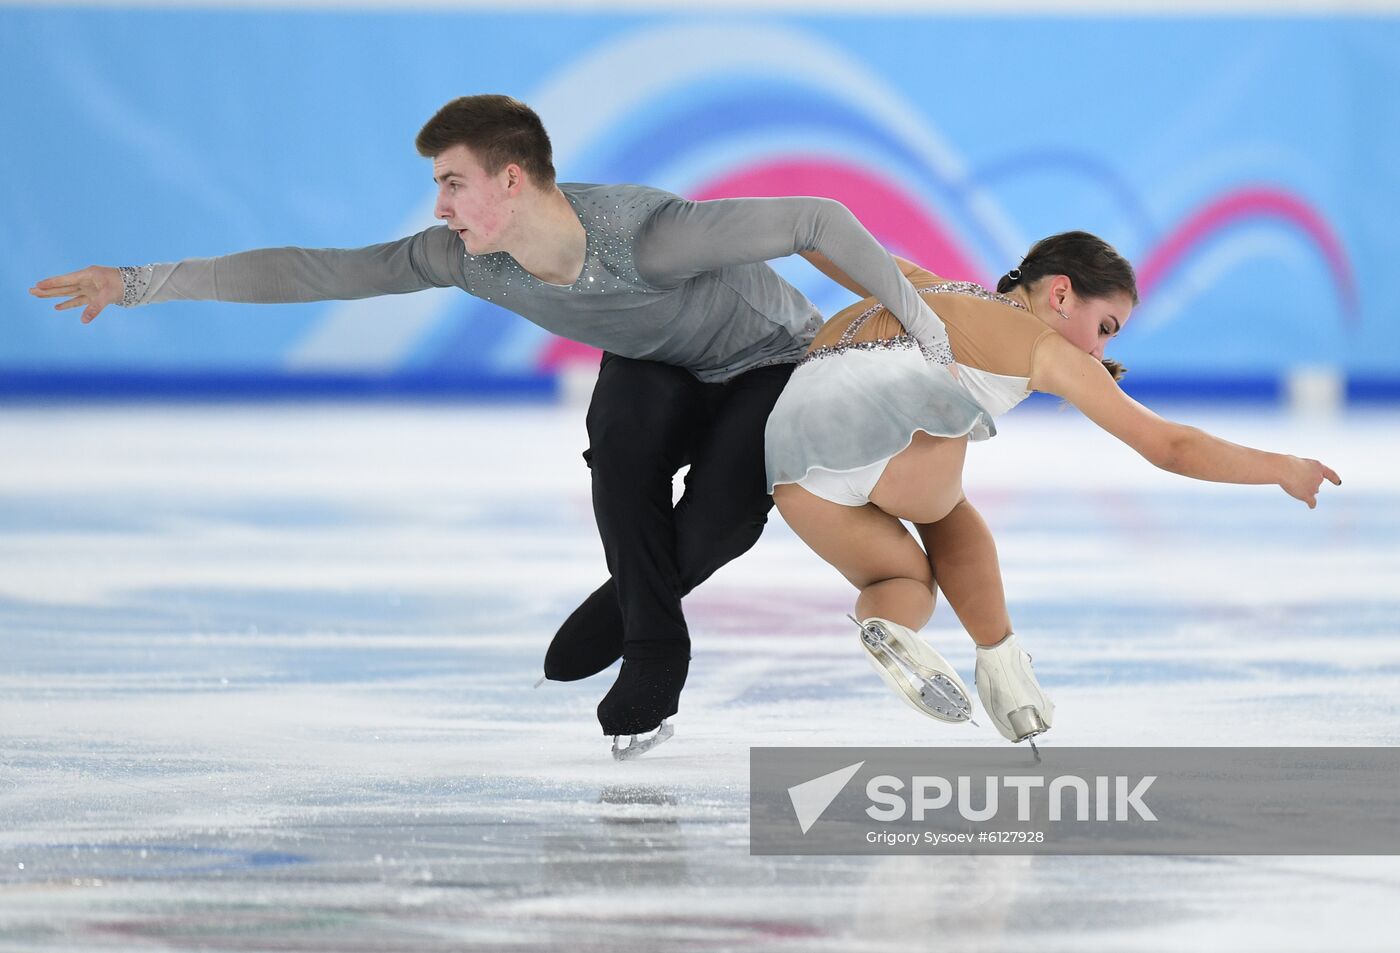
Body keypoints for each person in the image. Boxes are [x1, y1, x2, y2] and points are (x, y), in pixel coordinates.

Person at [29, 94, 962, 759]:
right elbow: (322, 271)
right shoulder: (468, 259)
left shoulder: (649, 236)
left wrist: (916, 318)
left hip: (764, 362)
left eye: (452, 183)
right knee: (622, 447)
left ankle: (634, 597)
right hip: (657, 365)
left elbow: (816, 217)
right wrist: (138, 282)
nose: (439, 207)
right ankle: (654, 648)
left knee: (720, 516)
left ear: (510, 180)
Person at [767, 231, 1341, 748]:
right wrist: (1282, 467)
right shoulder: (1044, 347)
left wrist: (758, 234)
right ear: (1061, 294)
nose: (1099, 350)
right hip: (881, 440)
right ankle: (1002, 665)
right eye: (1105, 327)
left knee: (901, 582)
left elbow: (828, 244)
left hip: (789, 463)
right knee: (947, 512)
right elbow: (1170, 446)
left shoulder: (926, 285)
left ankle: (889, 629)